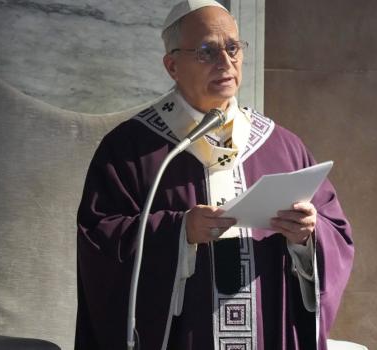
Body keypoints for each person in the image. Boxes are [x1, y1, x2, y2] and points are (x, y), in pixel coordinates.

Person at [75, 1, 354, 349]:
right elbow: (99, 243)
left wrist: (308, 238)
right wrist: (180, 231)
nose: (226, 63)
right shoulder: (130, 149)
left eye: (233, 48)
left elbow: (337, 234)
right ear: (172, 65)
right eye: (207, 51)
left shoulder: (281, 147)